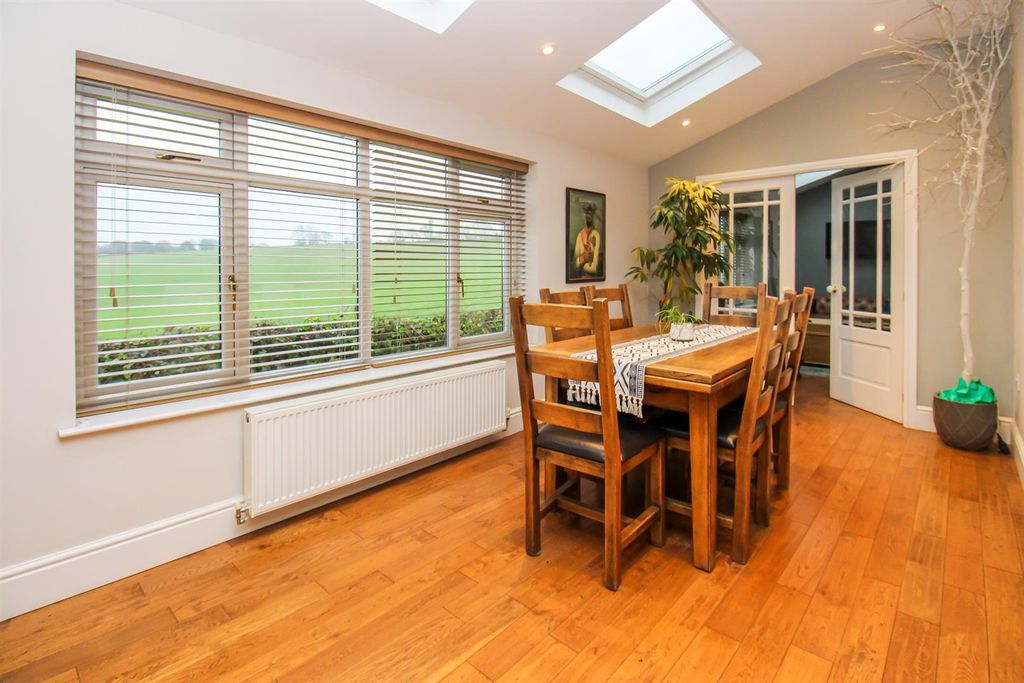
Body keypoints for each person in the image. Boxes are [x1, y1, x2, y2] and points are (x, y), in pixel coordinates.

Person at [573, 201, 602, 278]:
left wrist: (581, 263)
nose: (587, 216)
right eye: (585, 213)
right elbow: (574, 264)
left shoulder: (596, 235)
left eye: (590, 213)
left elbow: (594, 268)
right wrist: (583, 258)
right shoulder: (580, 235)